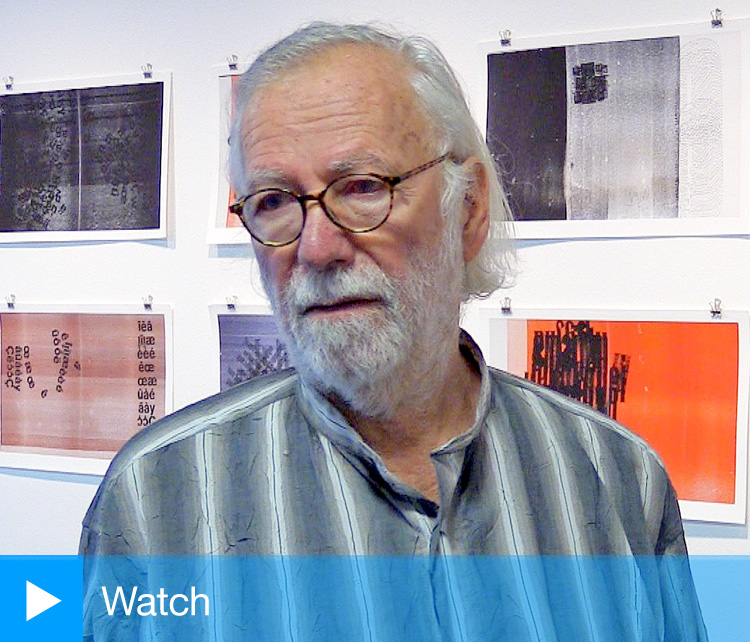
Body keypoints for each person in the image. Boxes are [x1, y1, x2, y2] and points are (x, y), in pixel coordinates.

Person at [81, 22, 708, 640]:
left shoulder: (618, 477)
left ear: (468, 210)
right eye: (273, 201)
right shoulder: (157, 499)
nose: (317, 248)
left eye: (362, 188)